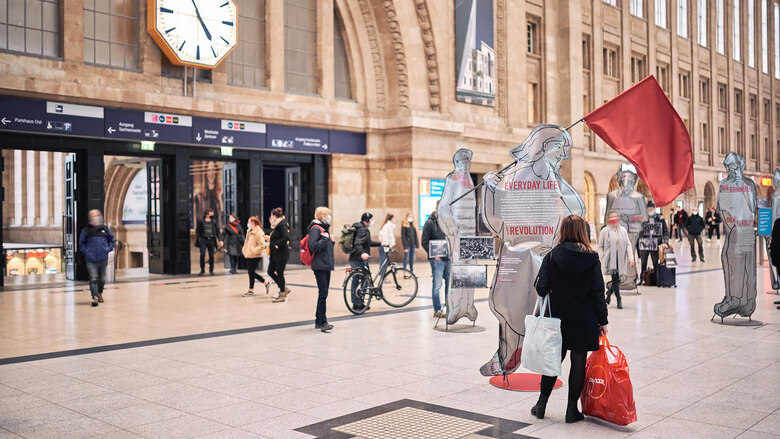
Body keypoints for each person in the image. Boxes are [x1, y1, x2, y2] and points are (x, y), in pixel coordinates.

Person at [533, 215, 608, 423]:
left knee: (552, 361)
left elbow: (540, 288)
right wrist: (603, 320)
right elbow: (597, 293)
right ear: (583, 231)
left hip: (557, 318)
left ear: (563, 231)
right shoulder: (592, 258)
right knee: (578, 362)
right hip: (583, 319)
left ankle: (541, 404)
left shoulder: (552, 255)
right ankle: (571, 410)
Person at [598, 211, 635, 310]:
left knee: (618, 279)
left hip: (620, 259)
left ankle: (609, 293)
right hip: (610, 260)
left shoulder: (622, 230)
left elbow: (628, 244)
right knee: (615, 278)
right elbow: (600, 246)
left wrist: (631, 258)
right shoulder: (604, 231)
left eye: (616, 218)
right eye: (612, 218)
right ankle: (619, 299)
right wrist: (603, 256)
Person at [79, 209, 115, 307]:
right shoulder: (86, 230)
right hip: (91, 259)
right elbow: (81, 244)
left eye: (97, 215)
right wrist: (86, 252)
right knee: (93, 278)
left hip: (103, 258)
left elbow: (112, 240)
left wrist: (108, 249)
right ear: (90, 218)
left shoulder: (105, 229)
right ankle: (94, 296)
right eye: (94, 216)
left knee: (102, 279)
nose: (96, 217)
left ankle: (99, 292)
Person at [349, 212, 383, 312]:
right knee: (362, 280)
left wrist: (380, 243)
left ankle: (358, 303)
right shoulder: (362, 229)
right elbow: (358, 243)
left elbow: (368, 243)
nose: (372, 221)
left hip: (355, 258)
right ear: (366, 220)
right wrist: (362, 254)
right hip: (359, 259)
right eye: (371, 219)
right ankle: (358, 303)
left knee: (358, 280)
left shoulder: (360, 228)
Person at [308, 207, 335, 332]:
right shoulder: (315, 229)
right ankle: (323, 322)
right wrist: (325, 239)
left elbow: (325, 247)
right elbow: (312, 246)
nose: (329, 217)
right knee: (323, 294)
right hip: (320, 265)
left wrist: (331, 241)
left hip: (325, 264)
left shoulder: (323, 228)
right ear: (322, 215)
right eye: (327, 215)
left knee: (323, 293)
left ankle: (318, 320)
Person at [421, 206, 450, 318]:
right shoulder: (430, 223)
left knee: (449, 283)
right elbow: (424, 242)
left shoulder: (446, 223)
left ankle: (449, 307)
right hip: (437, 260)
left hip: (447, 258)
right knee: (437, 285)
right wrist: (434, 254)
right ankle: (437, 310)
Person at [637, 201, 668, 281]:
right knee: (643, 263)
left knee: (656, 262)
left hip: (656, 243)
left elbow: (665, 230)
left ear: (654, 208)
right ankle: (642, 279)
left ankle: (658, 279)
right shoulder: (642, 218)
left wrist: (665, 242)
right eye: (649, 208)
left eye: (652, 208)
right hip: (644, 244)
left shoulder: (659, 218)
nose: (650, 209)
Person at [241, 216, 271, 297]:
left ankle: (251, 290)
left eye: (249, 222)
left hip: (256, 255)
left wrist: (253, 251)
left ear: (253, 223)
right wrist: (244, 250)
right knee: (251, 272)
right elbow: (246, 242)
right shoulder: (249, 231)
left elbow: (262, 245)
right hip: (249, 255)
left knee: (251, 272)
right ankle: (265, 283)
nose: (248, 224)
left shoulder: (259, 232)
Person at [267, 207, 291, 300]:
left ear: (274, 216)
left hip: (281, 253)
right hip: (275, 254)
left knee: (280, 273)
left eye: (271, 215)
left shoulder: (282, 225)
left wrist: (277, 243)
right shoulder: (276, 225)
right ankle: (283, 287)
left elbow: (286, 237)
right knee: (270, 271)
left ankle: (282, 294)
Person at [196, 209, 223, 276]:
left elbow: (217, 231)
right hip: (203, 239)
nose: (212, 215)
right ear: (207, 214)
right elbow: (197, 230)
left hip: (211, 239)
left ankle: (211, 270)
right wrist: (199, 238)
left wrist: (220, 240)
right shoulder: (201, 221)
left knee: (211, 255)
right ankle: (202, 269)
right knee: (202, 254)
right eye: (210, 213)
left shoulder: (214, 222)